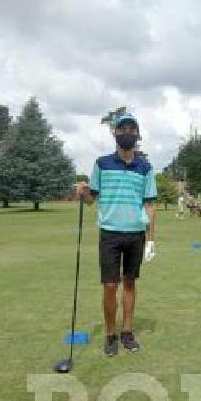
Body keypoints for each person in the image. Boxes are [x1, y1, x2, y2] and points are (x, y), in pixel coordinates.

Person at [76, 112, 157, 356]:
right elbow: (91, 200)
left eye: (132, 129)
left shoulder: (145, 167)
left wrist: (151, 239)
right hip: (110, 233)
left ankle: (127, 331)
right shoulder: (102, 163)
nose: (127, 133)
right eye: (123, 129)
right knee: (111, 285)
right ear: (115, 133)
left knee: (130, 283)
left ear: (138, 134)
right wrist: (83, 192)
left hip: (135, 233)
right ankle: (111, 334)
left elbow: (150, 204)